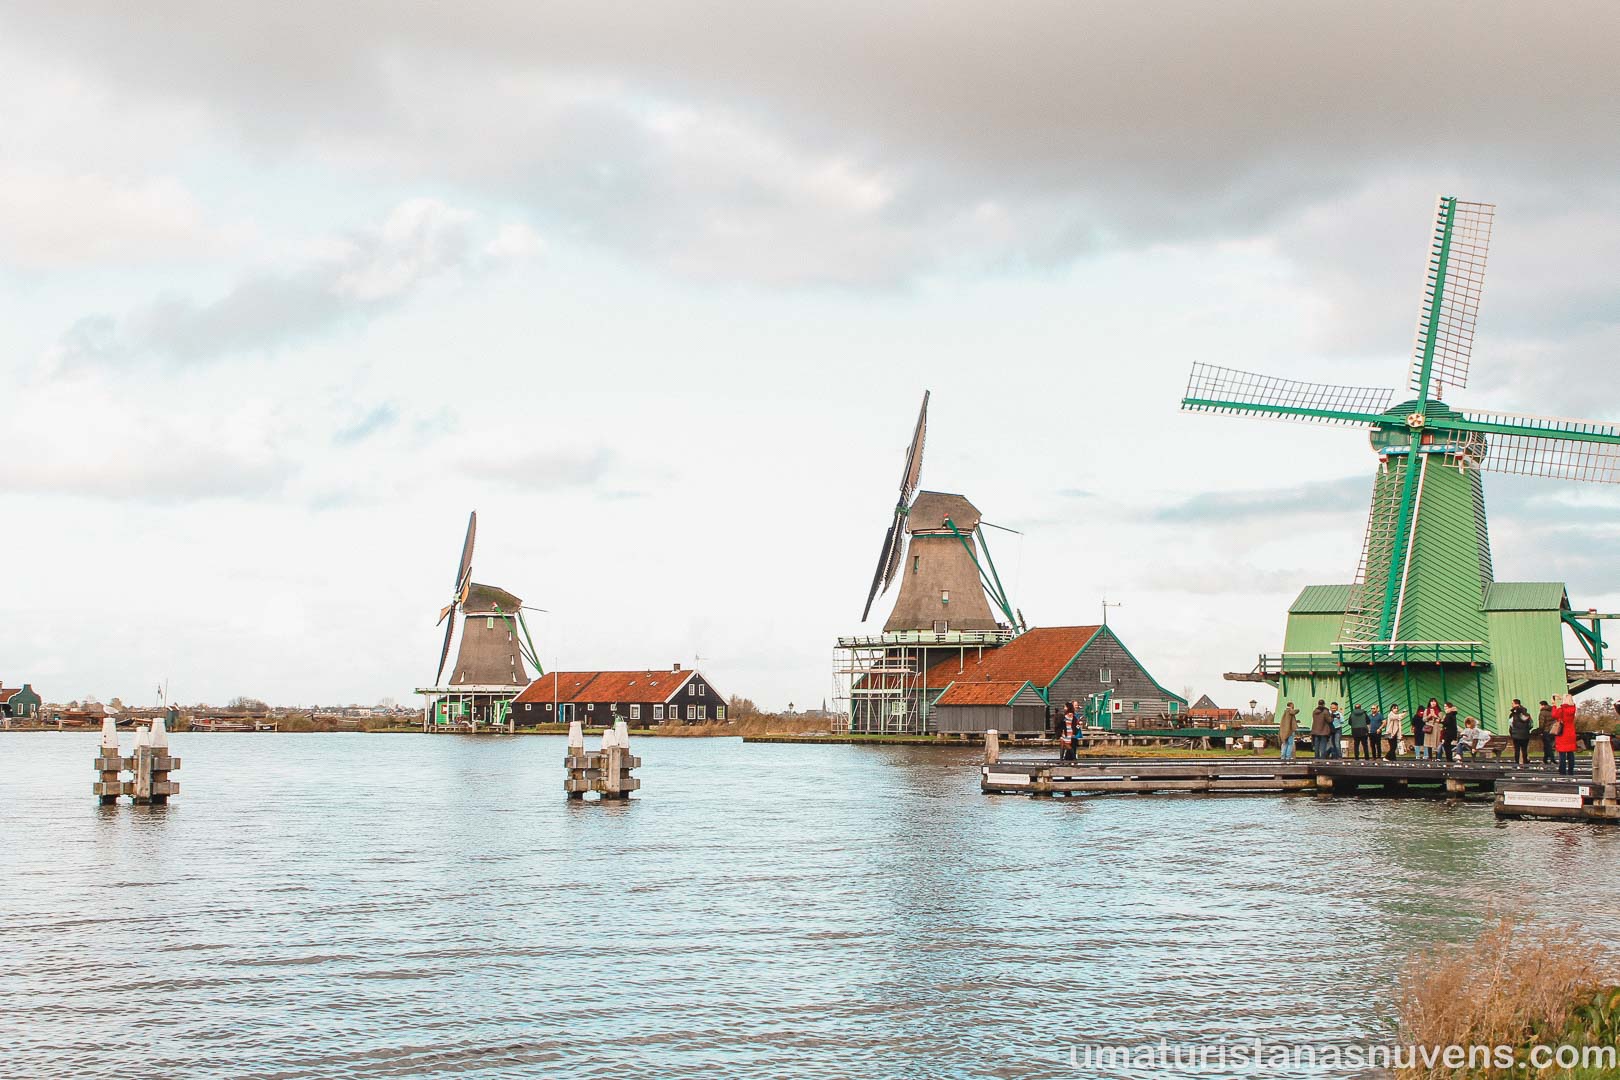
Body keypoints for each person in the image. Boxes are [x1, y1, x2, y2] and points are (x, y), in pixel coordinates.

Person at [1554, 695, 1579, 776]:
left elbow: (1554, 715)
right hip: (1571, 732)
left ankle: (1562, 771)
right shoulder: (1573, 708)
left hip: (1563, 733)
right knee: (1570, 753)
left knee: (1562, 753)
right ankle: (1571, 771)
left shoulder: (1561, 709)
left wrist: (1554, 704)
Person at [1507, 699, 1532, 767]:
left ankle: (1517, 763)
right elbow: (1531, 724)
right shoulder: (1527, 715)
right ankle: (1525, 762)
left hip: (1516, 734)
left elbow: (1511, 724)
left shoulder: (1513, 714)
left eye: (1512, 703)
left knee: (1517, 749)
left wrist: (1512, 732)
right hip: (1525, 734)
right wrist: (1526, 730)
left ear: (1516, 704)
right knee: (1524, 749)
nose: (1511, 705)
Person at [1537, 700, 1556, 765]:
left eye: (1540, 705)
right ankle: (1545, 759)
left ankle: (1552, 759)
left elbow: (1542, 723)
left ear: (1543, 705)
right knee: (1550, 745)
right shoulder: (1552, 711)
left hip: (1546, 731)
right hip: (1553, 730)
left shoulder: (1542, 713)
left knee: (1547, 746)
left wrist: (1540, 731)